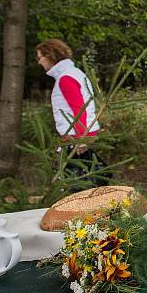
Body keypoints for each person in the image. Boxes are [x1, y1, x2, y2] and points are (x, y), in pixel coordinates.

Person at [35, 39, 110, 188]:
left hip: (76, 136)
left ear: (50, 56)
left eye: (39, 57)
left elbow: (79, 108)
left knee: (77, 183)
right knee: (83, 177)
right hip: (79, 134)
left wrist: (80, 139)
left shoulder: (66, 78)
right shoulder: (73, 73)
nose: (39, 62)